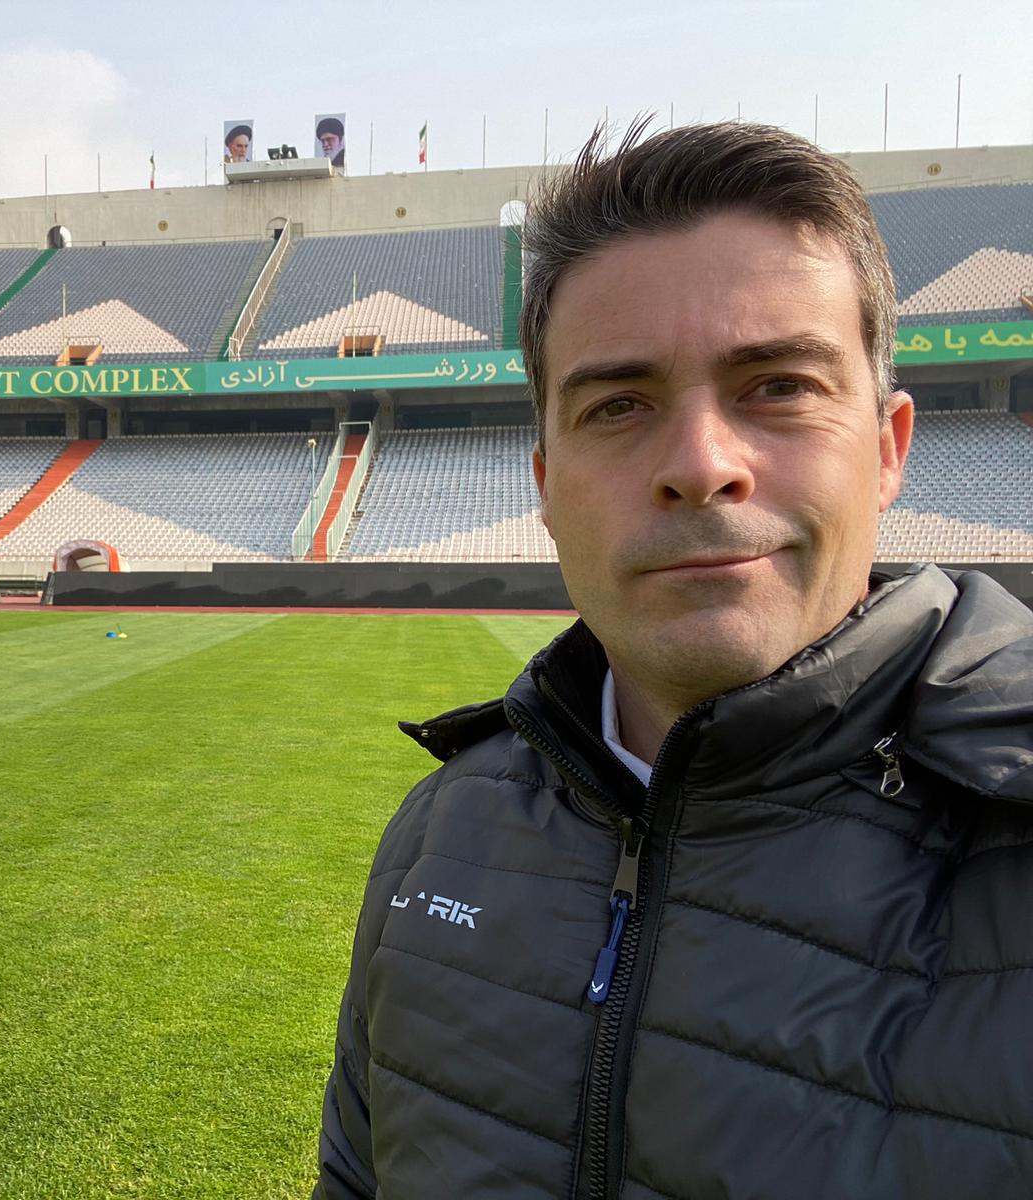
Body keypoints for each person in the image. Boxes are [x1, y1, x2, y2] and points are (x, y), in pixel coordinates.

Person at [315, 120, 1033, 1198]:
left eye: (778, 386)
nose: (700, 466)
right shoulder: (438, 837)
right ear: (545, 483)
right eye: (618, 405)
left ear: (887, 450)